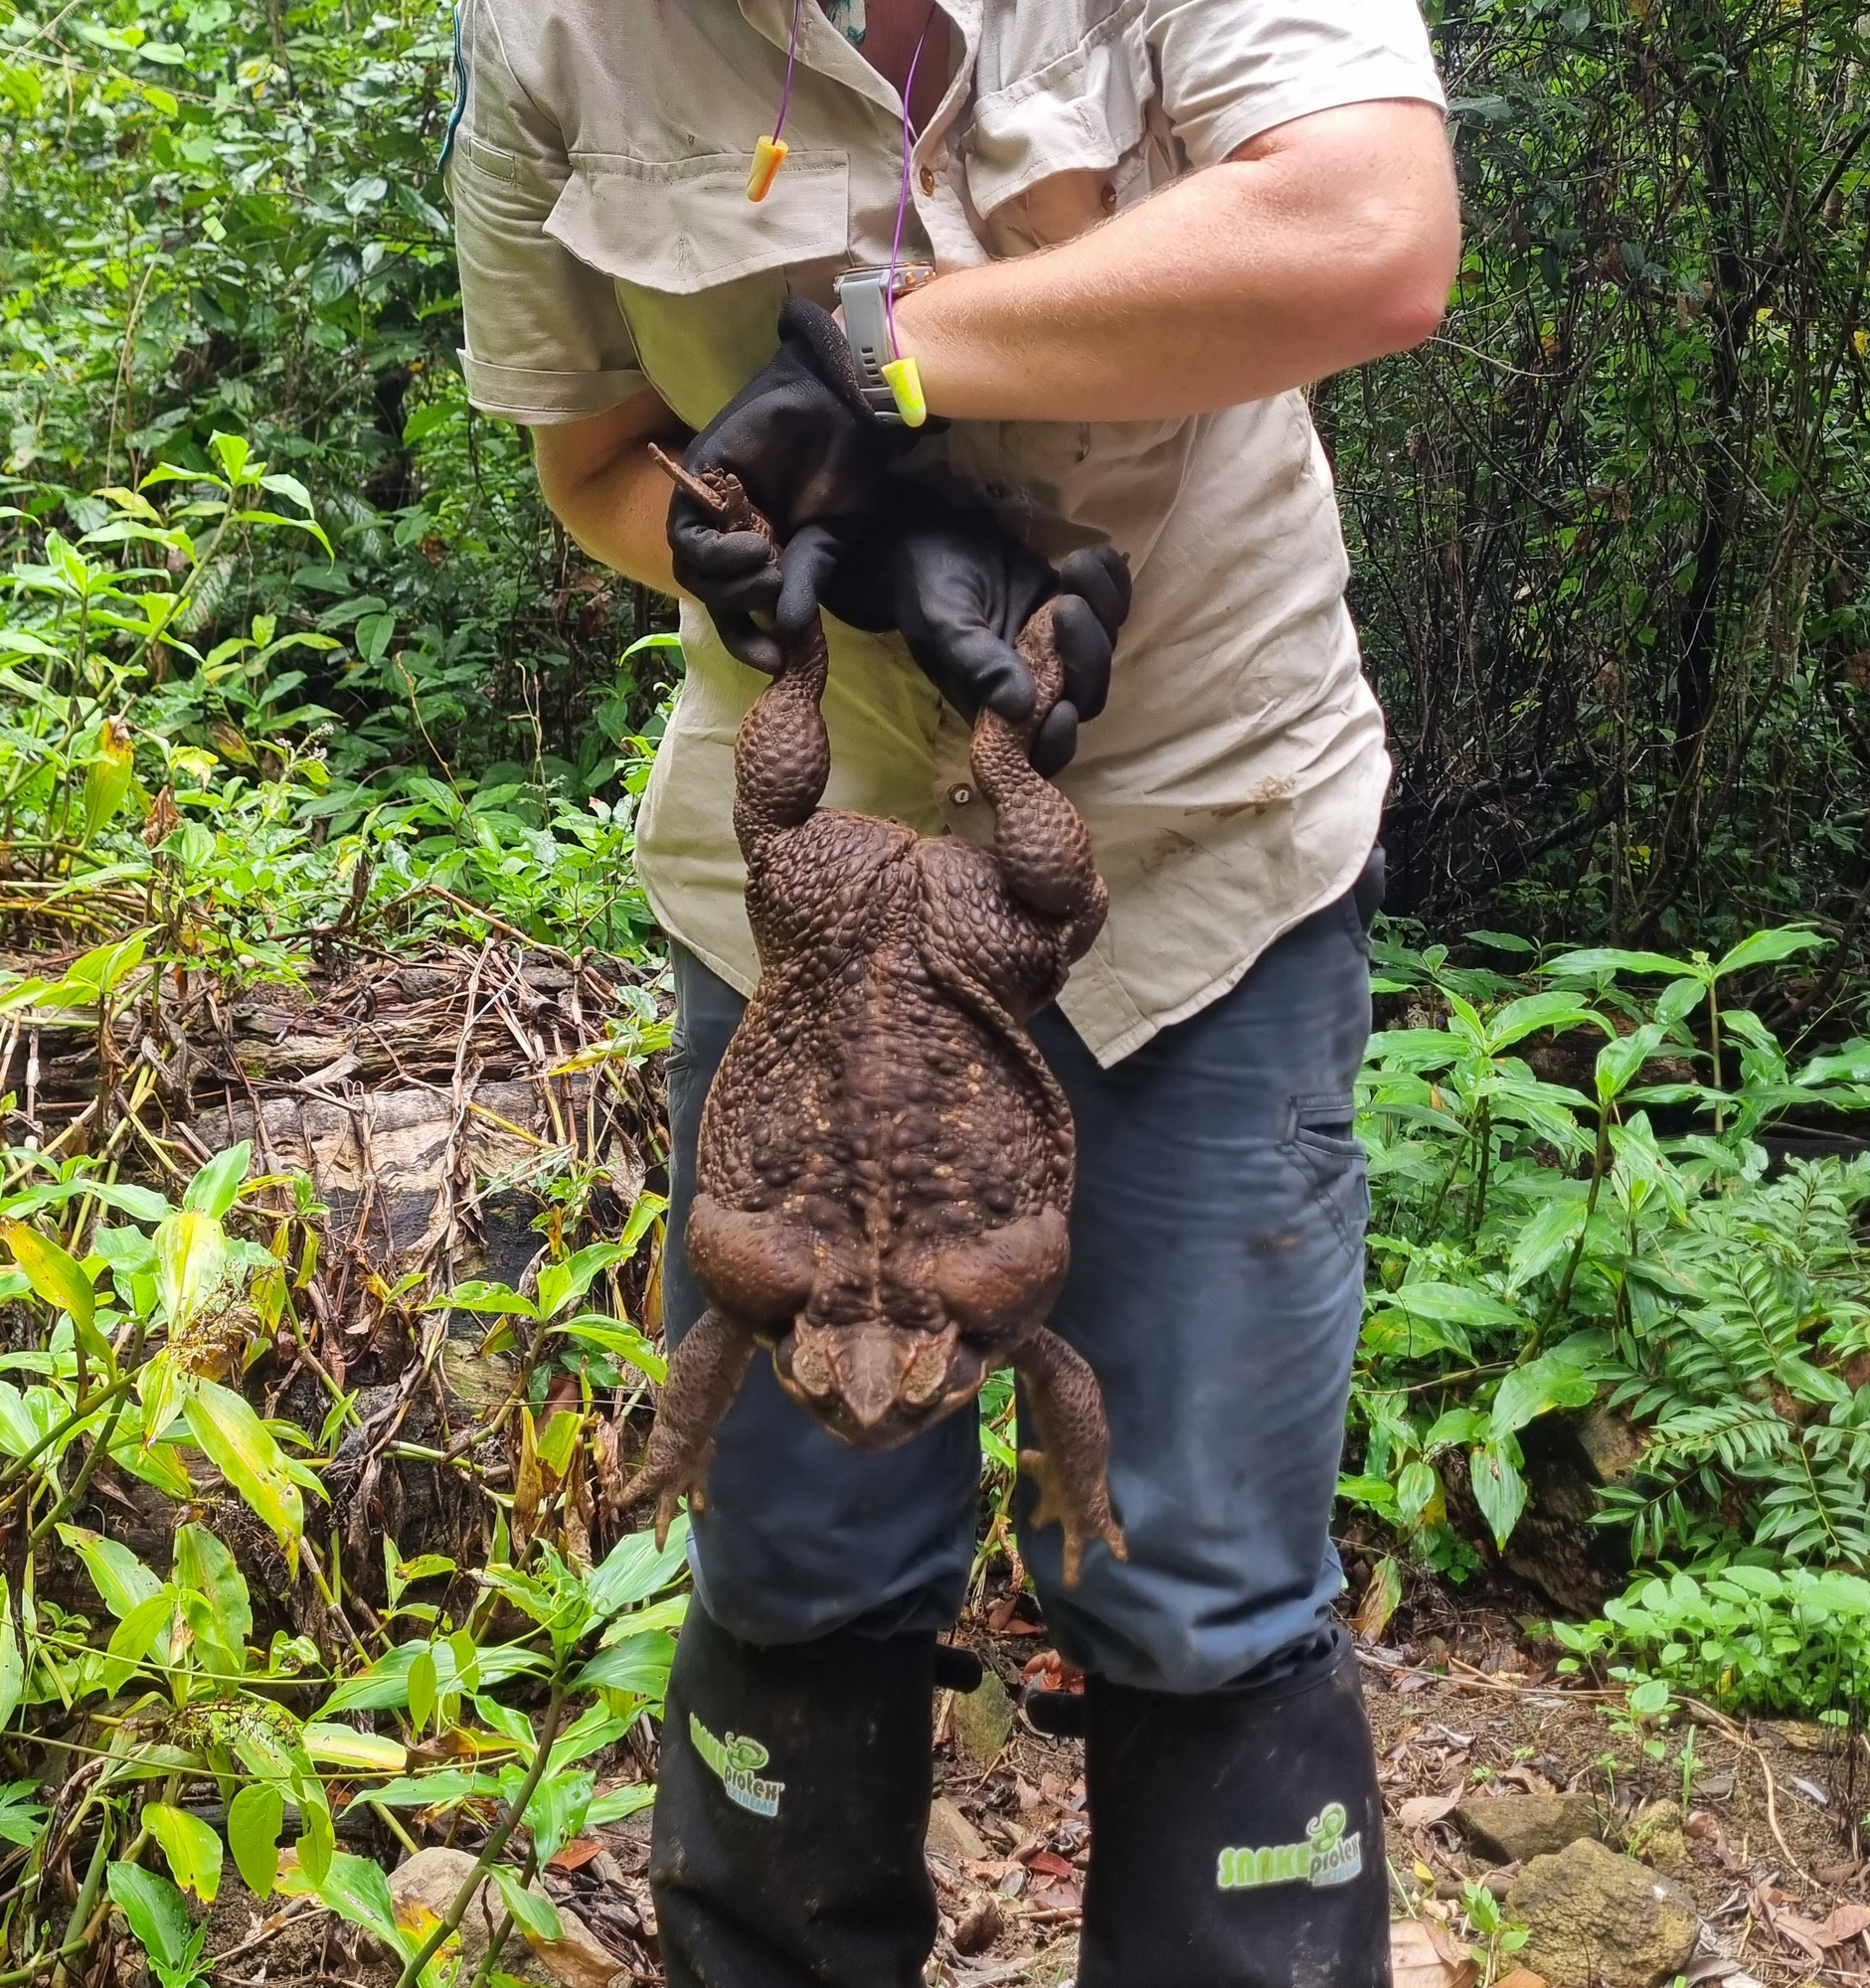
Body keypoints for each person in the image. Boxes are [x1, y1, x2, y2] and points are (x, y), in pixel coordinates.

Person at [446, 1, 1457, 1980]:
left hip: (1191, 850)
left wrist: (878, 371)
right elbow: (591, 458)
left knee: (1194, 1571)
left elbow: (1370, 230)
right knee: (798, 1558)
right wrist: (748, 550)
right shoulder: (550, 32)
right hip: (809, 914)